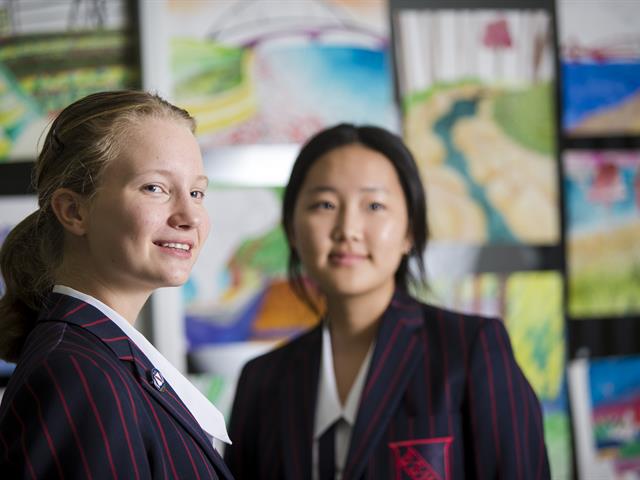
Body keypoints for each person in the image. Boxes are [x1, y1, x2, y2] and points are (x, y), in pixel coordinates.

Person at [224, 124, 550, 479]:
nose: (348, 229)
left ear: (410, 229)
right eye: (325, 204)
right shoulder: (261, 382)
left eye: (374, 205)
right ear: (292, 228)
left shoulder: (472, 350)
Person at [0, 90, 234, 479]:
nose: (190, 215)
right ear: (74, 211)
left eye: (196, 192)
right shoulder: (76, 375)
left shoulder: (102, 359)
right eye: (155, 188)